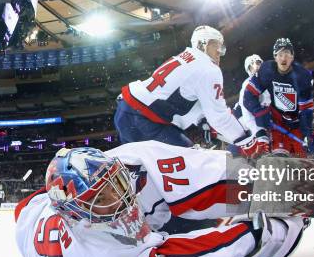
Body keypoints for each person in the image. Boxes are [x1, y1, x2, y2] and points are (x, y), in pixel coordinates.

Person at [15, 142, 308, 257]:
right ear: (78, 217)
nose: (121, 198)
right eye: (101, 198)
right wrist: (271, 233)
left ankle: (257, 179)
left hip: (36, 209)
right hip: (38, 214)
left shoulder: (86, 202)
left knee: (151, 163)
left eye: (115, 183)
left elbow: (111, 181)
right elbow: (199, 256)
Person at [114, 25, 268, 158]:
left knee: (140, 173)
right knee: (191, 164)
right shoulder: (209, 69)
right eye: (217, 46)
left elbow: (184, 99)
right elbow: (219, 117)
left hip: (126, 111)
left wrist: (202, 120)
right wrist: (245, 141)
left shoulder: (184, 58)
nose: (220, 52)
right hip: (144, 120)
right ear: (203, 44)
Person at [243, 38, 314, 157]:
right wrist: (259, 113)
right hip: (277, 122)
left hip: (296, 123)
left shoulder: (302, 76)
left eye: (287, 54)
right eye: (280, 54)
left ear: (292, 57)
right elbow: (248, 97)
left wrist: (307, 131)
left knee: (303, 160)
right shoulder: (266, 71)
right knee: (280, 160)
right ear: (275, 57)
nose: (283, 58)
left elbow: (306, 109)